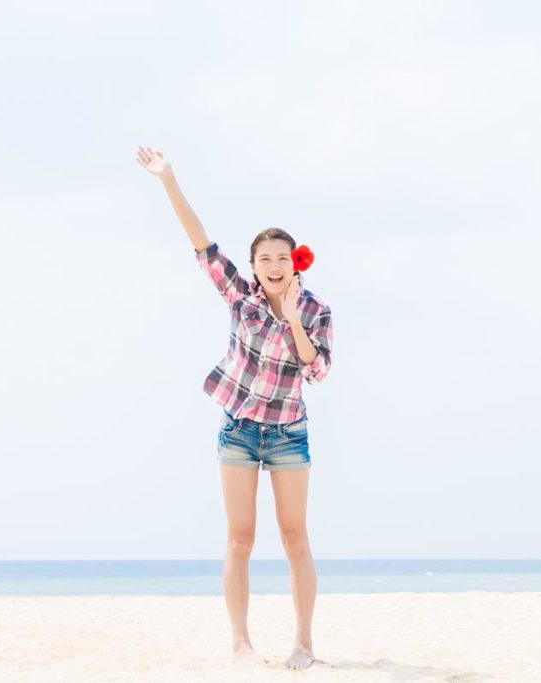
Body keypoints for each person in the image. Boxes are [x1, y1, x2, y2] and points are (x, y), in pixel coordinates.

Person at [136, 145, 333, 670]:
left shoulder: (315, 310)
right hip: (239, 430)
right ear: (253, 266)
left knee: (295, 539)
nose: (273, 266)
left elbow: (318, 372)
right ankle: (241, 642)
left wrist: (293, 319)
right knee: (241, 540)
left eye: (282, 258)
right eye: (264, 259)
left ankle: (304, 645)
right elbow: (201, 242)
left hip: (289, 432)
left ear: (296, 263)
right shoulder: (240, 298)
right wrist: (168, 179)